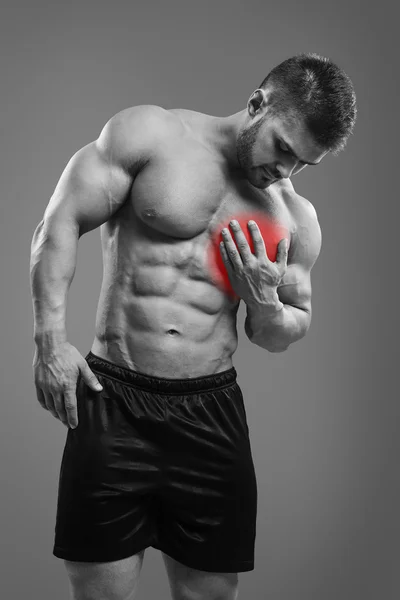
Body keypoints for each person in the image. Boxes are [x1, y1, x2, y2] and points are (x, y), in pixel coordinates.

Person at [30, 53, 357, 600]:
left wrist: (266, 304)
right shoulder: (150, 135)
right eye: (281, 147)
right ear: (257, 104)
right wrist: (49, 342)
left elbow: (282, 331)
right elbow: (58, 222)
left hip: (210, 415)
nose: (285, 171)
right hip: (114, 399)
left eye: (303, 164)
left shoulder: (294, 219)